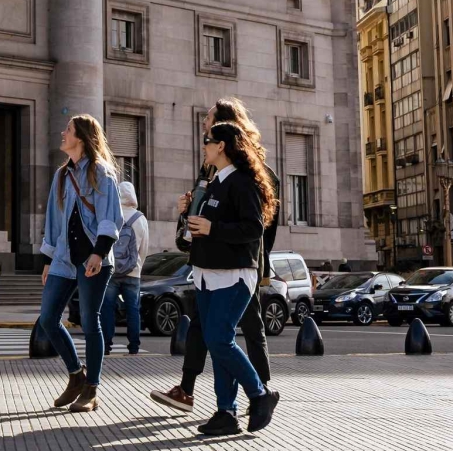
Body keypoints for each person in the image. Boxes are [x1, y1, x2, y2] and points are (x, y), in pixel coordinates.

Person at [150, 97, 275, 413]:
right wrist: (187, 214)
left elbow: (258, 226)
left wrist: (260, 262)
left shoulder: (247, 172)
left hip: (238, 264)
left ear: (224, 137)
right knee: (212, 333)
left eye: (208, 123)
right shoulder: (212, 171)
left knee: (236, 333)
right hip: (209, 263)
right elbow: (203, 214)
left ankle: (258, 393)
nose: (203, 130)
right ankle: (221, 405)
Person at [187, 120, 281, 436]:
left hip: (234, 275)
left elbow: (254, 229)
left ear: (222, 146)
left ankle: (259, 393)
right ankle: (226, 412)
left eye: (207, 140)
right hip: (206, 274)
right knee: (218, 341)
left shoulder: (242, 183)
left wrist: (213, 228)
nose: (204, 146)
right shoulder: (214, 183)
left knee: (219, 339)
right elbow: (196, 231)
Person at [36, 114, 123, 414]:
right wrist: (47, 260)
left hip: (93, 260)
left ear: (82, 138)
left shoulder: (102, 173)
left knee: (89, 322)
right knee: (47, 318)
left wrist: (99, 253)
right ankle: (76, 375)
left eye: (68, 130)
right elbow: (52, 221)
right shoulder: (61, 176)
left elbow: (110, 218)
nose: (63, 133)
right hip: (63, 258)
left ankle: (91, 389)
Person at [101, 180, 149, 356]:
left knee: (107, 308)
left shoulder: (112, 214)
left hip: (112, 270)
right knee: (133, 310)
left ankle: (106, 345)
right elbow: (144, 248)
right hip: (133, 272)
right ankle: (134, 346)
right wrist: (138, 266)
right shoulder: (140, 218)